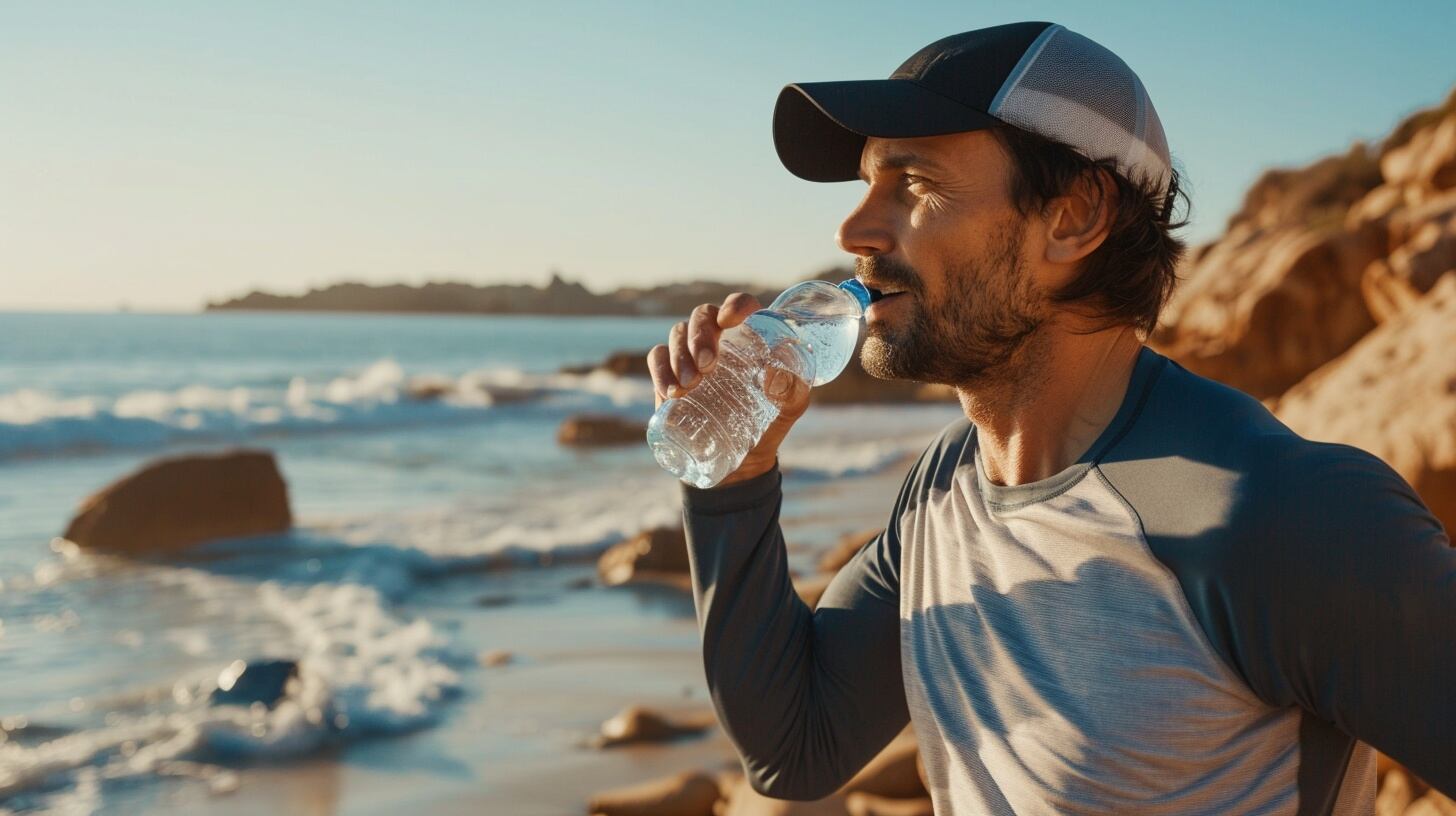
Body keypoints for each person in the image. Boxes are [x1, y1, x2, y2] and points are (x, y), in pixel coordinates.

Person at [646, 21, 1455, 815]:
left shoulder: (1284, 516)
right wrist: (736, 477)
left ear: (1073, 218)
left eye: (914, 183)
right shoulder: (944, 491)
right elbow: (796, 745)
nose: (852, 228)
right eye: (866, 184)